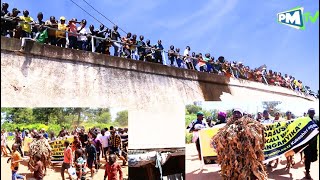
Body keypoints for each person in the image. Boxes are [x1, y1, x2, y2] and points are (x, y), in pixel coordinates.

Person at [303, 108, 319, 179]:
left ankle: (307, 169)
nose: (312, 113)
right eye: (311, 112)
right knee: (308, 158)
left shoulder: (316, 121)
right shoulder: (305, 121)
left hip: (314, 143)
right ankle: (307, 172)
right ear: (308, 113)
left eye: (313, 112)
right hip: (307, 144)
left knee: (313, 157)